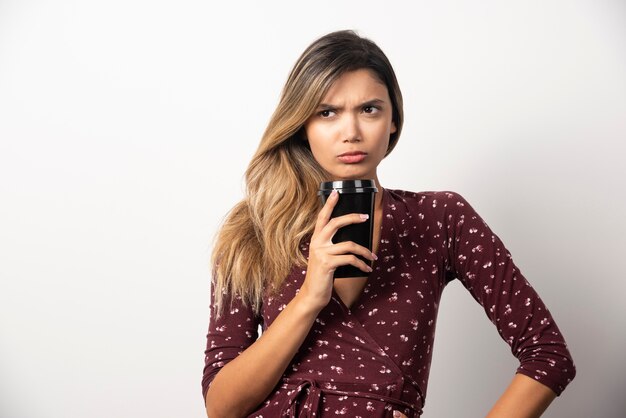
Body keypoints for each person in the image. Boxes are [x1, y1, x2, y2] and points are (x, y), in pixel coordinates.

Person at [202, 30, 575, 418]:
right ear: (302, 125)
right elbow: (221, 407)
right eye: (327, 112)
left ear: (393, 120)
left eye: (369, 110)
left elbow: (548, 354)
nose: (351, 133)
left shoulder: (439, 218)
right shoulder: (252, 229)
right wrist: (309, 298)